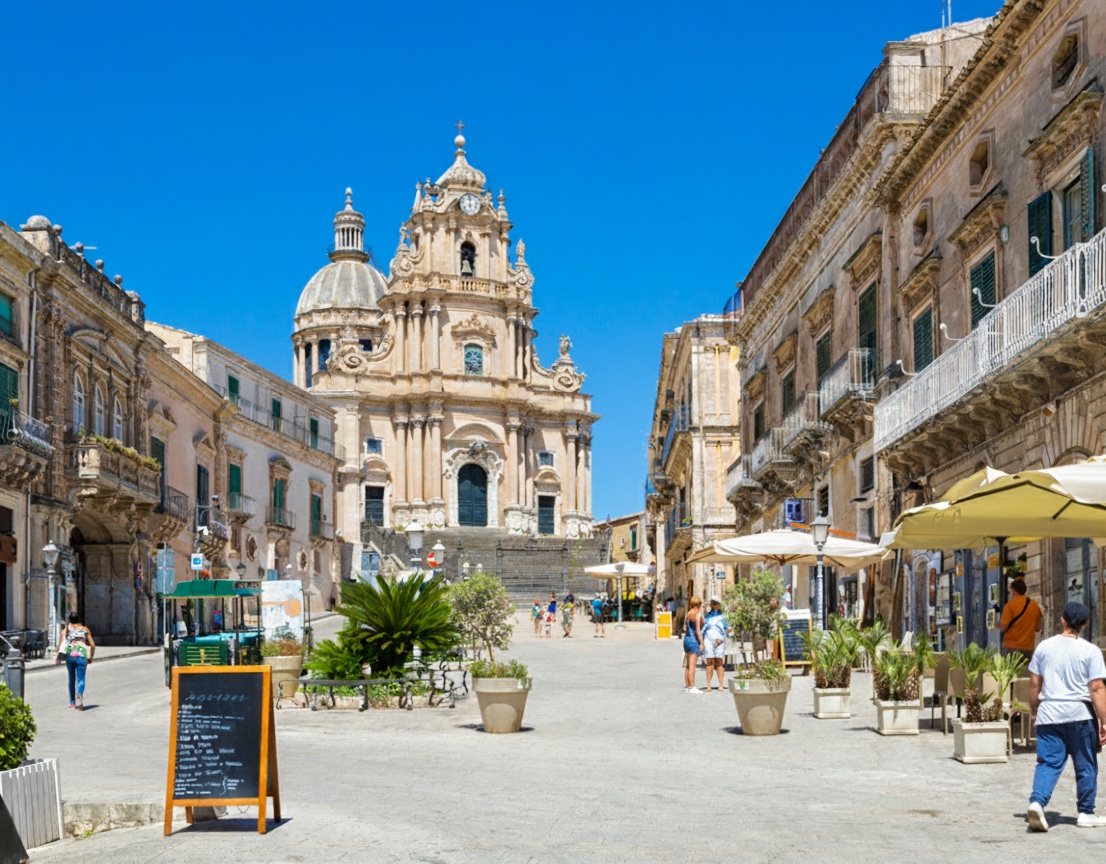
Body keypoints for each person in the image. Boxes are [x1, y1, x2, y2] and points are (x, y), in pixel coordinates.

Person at [1025, 601, 1106, 832]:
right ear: (1085, 624)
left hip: (1049, 714)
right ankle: (1086, 812)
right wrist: (1104, 721)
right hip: (1080, 715)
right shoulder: (1090, 651)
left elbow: (1034, 684)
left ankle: (1037, 803)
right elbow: (1097, 688)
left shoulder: (1043, 647)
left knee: (1048, 763)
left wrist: (1034, 711)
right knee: (1086, 764)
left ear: (1062, 620)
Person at [55, 611, 96, 710]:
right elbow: (93, 645)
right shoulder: (85, 630)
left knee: (71, 679)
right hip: (82, 656)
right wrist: (90, 657)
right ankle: (80, 695)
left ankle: (72, 703)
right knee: (81, 679)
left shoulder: (66, 630)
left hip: (70, 656)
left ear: (69, 620)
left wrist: (58, 657)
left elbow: (61, 645)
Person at [999, 578, 1043, 663]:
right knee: (1024, 673)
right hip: (1028, 647)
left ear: (1013, 591)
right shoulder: (1034, 606)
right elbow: (1038, 628)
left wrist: (997, 625)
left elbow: (1003, 628)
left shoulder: (1009, 606)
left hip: (1011, 646)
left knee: (1011, 673)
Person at [702, 596, 730, 691]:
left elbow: (728, 628)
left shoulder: (723, 616)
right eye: (713, 604)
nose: (714, 606)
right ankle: (709, 685)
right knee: (709, 661)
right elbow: (704, 629)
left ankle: (721, 684)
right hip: (708, 639)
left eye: (716, 604)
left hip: (720, 639)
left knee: (719, 661)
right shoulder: (707, 616)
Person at [682, 596, 704, 693]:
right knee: (692, 665)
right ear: (699, 604)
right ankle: (692, 686)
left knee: (687, 665)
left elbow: (685, 628)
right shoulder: (697, 615)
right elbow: (698, 631)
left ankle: (687, 685)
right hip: (693, 640)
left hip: (686, 639)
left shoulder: (688, 613)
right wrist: (701, 643)